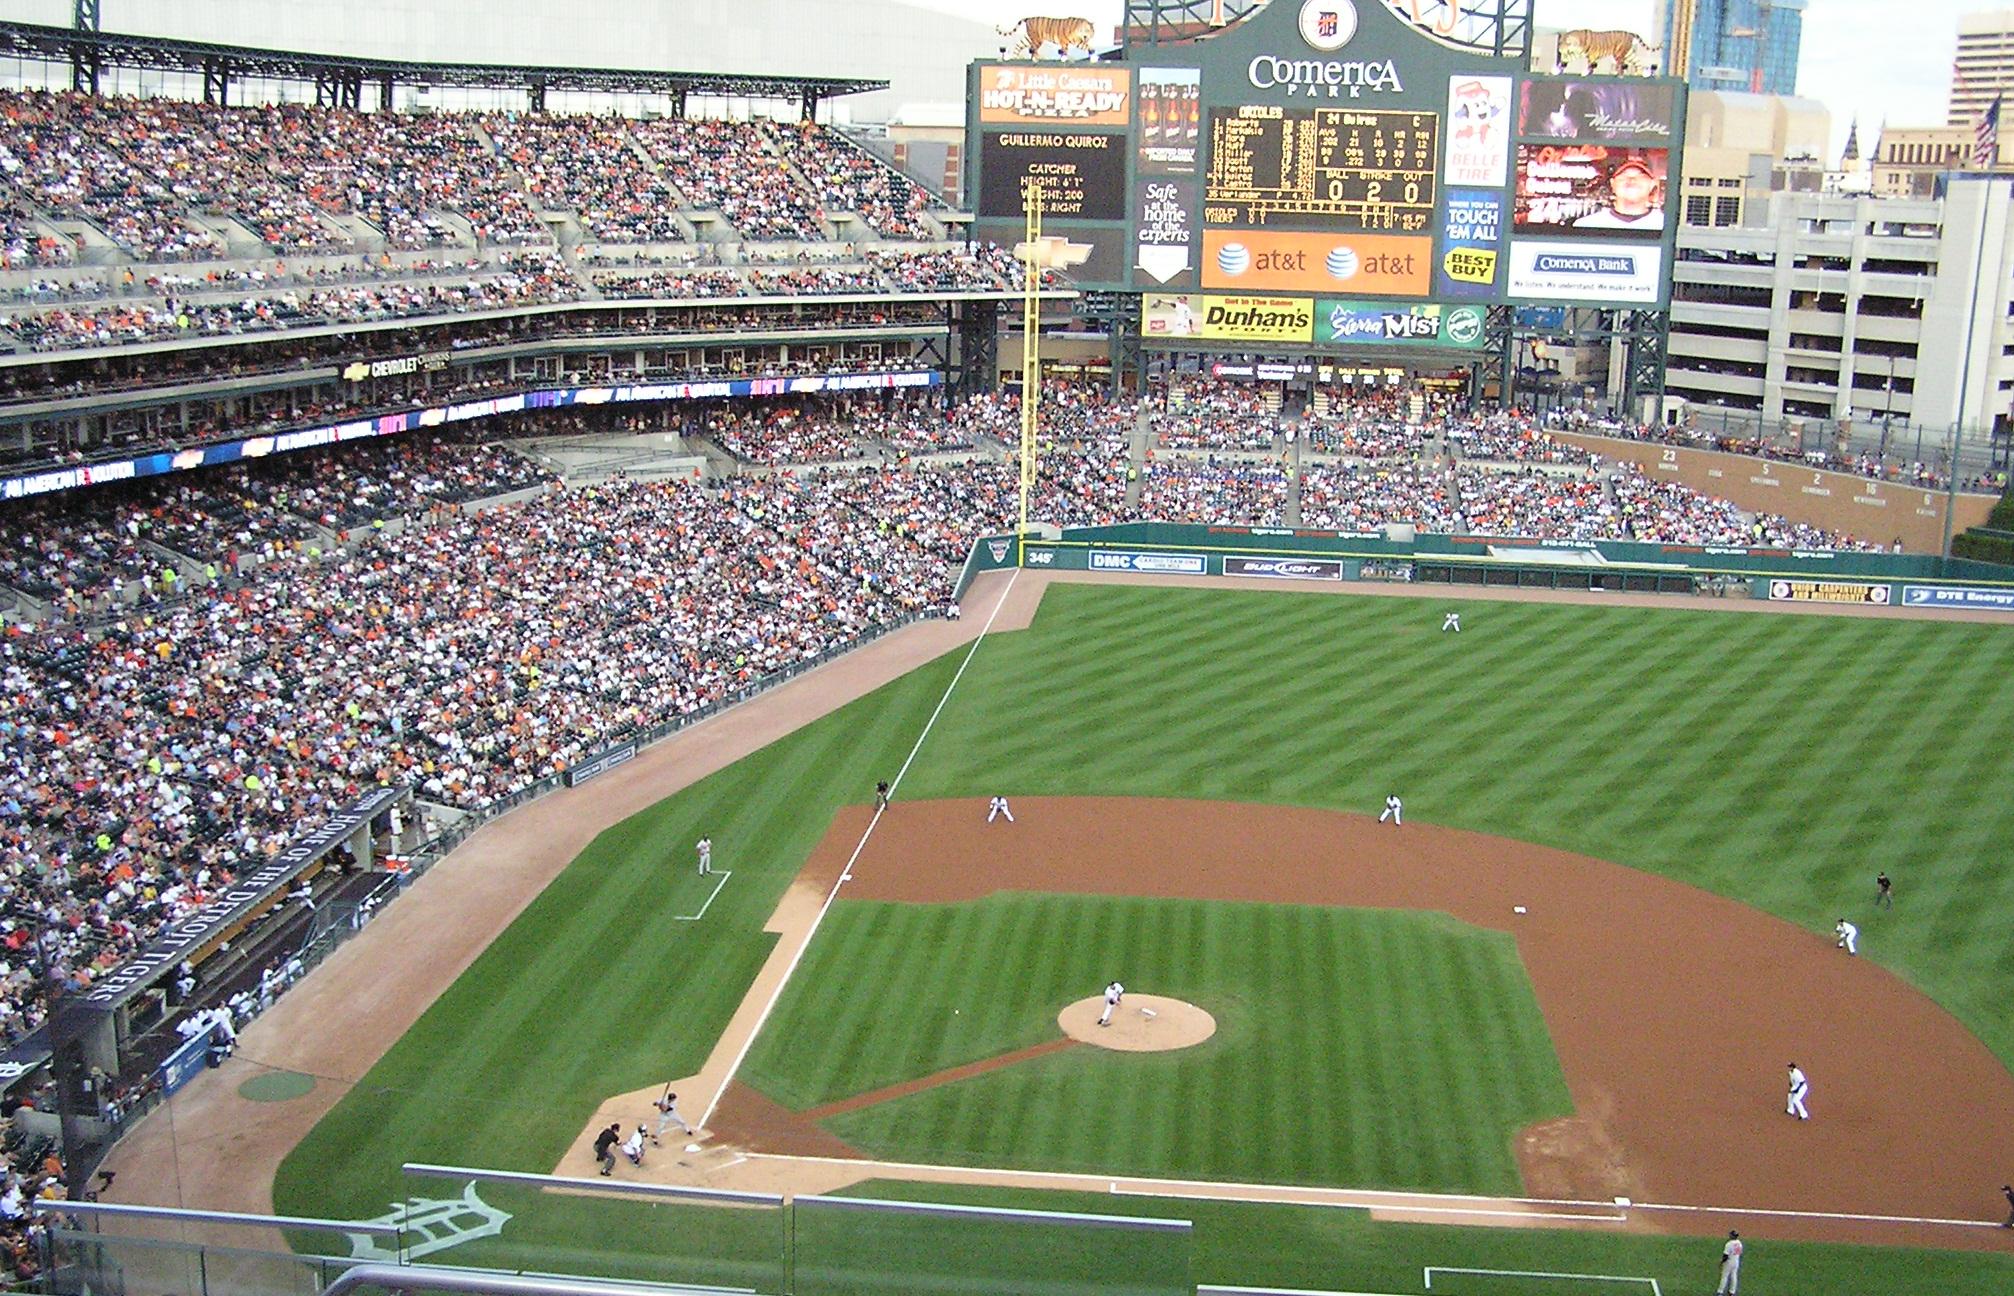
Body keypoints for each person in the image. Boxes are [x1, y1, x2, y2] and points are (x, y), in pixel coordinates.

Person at [1573, 153, 1664, 232]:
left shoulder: (1666, 226)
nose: (1632, 181)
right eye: (1624, 176)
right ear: (1613, 183)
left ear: (1652, 184)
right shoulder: (1586, 226)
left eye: (1640, 177)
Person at [1715, 1230, 1743, 1294]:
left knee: (1724, 1276)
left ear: (1732, 1236)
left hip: (1729, 1262)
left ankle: (1720, 1291)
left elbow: (1725, 1256)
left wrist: (1721, 1262)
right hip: (1736, 1261)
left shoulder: (1729, 1244)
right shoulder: (1739, 1243)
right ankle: (1732, 1291)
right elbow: (1740, 1252)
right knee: (1734, 1276)